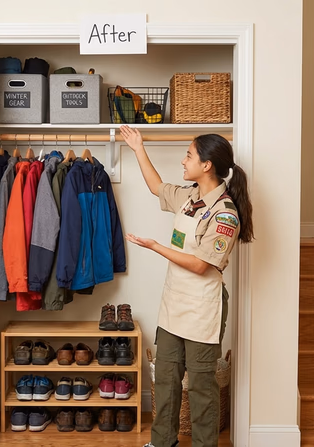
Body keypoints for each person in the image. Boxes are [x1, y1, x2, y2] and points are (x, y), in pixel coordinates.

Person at [119, 125, 253, 447]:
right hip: (174, 304)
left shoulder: (225, 215)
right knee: (165, 379)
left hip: (202, 307)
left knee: (202, 388)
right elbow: (157, 188)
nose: (183, 161)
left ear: (206, 165)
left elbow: (200, 264)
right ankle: (163, 441)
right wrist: (138, 148)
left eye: (189, 155)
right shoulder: (189, 197)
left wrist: (154, 246)